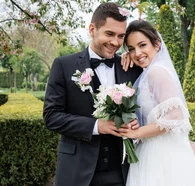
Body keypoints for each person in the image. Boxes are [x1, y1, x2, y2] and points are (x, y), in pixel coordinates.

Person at [43, 3, 142, 186]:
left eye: (121, 36)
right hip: (76, 173)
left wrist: (136, 122)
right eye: (109, 34)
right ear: (92, 29)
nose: (115, 42)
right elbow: (51, 116)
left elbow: (149, 108)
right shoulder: (64, 66)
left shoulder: (131, 68)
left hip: (121, 174)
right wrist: (96, 126)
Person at [120, 20, 195, 186]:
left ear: (157, 44)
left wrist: (137, 133)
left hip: (161, 154)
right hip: (152, 149)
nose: (137, 53)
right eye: (131, 49)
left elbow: (175, 117)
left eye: (142, 45)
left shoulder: (156, 72)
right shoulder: (149, 71)